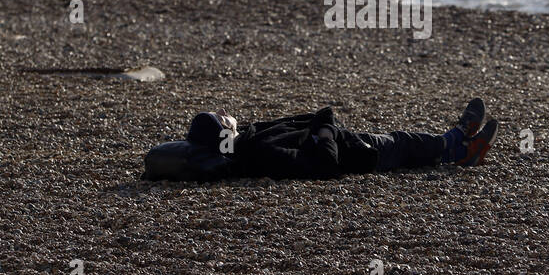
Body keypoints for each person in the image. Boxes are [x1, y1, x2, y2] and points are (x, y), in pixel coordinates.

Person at [143, 99, 498, 182]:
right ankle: (461, 144)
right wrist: (324, 127)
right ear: (225, 133)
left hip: (349, 144)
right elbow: (323, 166)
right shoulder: (257, 148)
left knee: (410, 148)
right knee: (403, 142)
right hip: (356, 153)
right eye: (220, 118)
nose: (225, 112)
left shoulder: (248, 140)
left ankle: (459, 144)